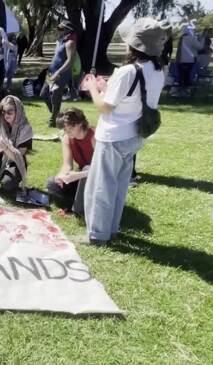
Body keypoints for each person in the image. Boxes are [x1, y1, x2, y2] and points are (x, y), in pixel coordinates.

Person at [82, 17, 167, 245]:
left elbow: (104, 107)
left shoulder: (127, 71)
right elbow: (135, 97)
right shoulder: (159, 71)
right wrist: (106, 87)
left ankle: (97, 235)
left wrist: (92, 88)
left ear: (134, 45)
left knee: (101, 187)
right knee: (119, 187)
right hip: (135, 136)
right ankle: (111, 230)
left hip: (113, 136)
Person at [46, 108, 94, 215]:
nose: (67, 132)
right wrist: (62, 175)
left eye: (71, 128)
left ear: (80, 123)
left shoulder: (94, 137)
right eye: (65, 129)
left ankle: (78, 208)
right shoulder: (67, 138)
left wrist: (78, 175)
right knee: (52, 183)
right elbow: (67, 165)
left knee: (87, 169)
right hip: (81, 176)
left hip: (96, 178)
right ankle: (81, 203)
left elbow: (102, 169)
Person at [0, 95, 33, 193]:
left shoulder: (26, 129)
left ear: (18, 111)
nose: (6, 115)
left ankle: (11, 180)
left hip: (15, 162)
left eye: (10, 112)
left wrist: (5, 148)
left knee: (8, 184)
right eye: (3, 111)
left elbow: (18, 156)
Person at [43, 20, 77, 127]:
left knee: (55, 97)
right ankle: (57, 115)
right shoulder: (60, 42)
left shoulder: (70, 42)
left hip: (60, 74)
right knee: (44, 94)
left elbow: (70, 61)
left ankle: (53, 121)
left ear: (67, 30)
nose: (58, 31)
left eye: (61, 29)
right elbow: (56, 58)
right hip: (51, 72)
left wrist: (58, 72)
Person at [175, 24, 202, 89]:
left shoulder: (181, 38)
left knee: (182, 75)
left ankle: (181, 88)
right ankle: (186, 88)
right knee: (188, 74)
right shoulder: (191, 38)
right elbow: (200, 47)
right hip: (190, 59)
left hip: (180, 59)